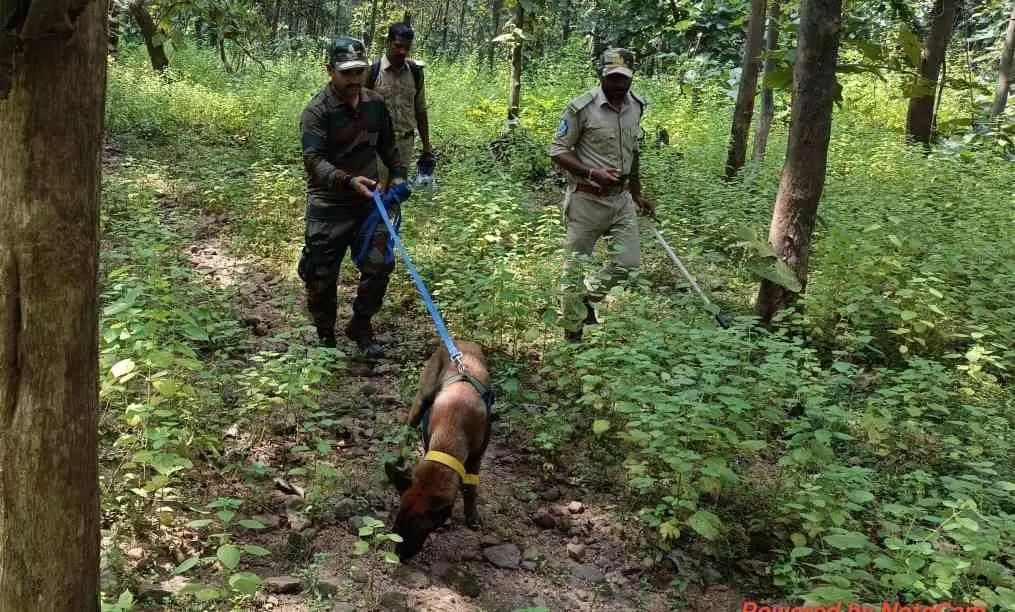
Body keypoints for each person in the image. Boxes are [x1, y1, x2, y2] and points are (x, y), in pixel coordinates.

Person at [298, 36, 407, 357]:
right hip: (329, 205)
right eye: (346, 73)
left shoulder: (375, 104)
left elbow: (389, 146)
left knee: (379, 266)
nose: (353, 79)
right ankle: (326, 338)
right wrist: (347, 181)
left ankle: (361, 324)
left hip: (369, 206)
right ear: (330, 71)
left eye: (359, 71)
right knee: (320, 276)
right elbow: (314, 161)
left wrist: (398, 174)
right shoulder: (317, 111)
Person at [549, 47, 656, 342]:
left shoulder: (637, 106)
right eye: (614, 79)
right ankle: (572, 334)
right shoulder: (581, 108)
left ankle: (585, 299)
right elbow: (558, 150)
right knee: (574, 267)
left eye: (625, 79)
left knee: (628, 264)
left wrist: (637, 193)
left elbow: (633, 154)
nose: (620, 85)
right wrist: (592, 173)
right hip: (586, 199)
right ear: (602, 75)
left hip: (621, 200)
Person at [366, 22, 433, 181]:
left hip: (405, 144)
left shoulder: (415, 73)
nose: (402, 51)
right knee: (378, 192)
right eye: (398, 46)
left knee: (398, 192)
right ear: (388, 43)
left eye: (407, 47)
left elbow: (420, 110)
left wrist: (426, 146)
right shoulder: (372, 71)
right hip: (378, 145)